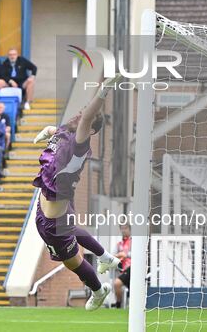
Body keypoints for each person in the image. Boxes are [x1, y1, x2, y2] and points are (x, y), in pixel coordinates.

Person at [31, 76, 121, 311]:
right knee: (70, 229)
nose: (78, 115)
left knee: (73, 263)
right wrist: (47, 131)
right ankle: (105, 257)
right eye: (79, 112)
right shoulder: (63, 132)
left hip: (53, 218)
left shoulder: (79, 144)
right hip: (47, 207)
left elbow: (89, 116)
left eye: (83, 117)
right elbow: (56, 131)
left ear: (89, 129)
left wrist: (103, 91)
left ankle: (99, 290)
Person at [113, 224, 132, 309]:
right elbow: (113, 255)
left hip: (132, 268)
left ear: (130, 229)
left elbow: (138, 255)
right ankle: (118, 304)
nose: (124, 230)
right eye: (122, 228)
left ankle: (119, 305)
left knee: (117, 283)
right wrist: (118, 255)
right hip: (123, 270)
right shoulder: (119, 244)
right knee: (117, 285)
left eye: (126, 228)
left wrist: (126, 255)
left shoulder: (133, 242)